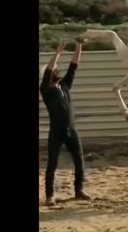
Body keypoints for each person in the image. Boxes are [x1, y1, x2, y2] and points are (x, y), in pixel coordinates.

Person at [39, 40, 90, 206]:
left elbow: (74, 65)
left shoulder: (64, 85)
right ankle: (49, 195)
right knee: (52, 162)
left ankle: (79, 190)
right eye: (54, 69)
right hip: (57, 130)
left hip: (71, 129)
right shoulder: (46, 89)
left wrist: (79, 46)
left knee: (79, 160)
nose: (56, 69)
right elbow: (47, 72)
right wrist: (57, 53)